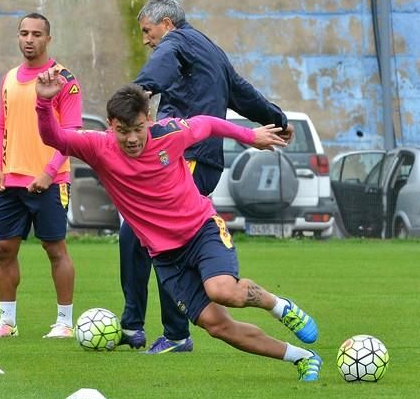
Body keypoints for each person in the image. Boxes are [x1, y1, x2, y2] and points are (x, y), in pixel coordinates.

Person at [36, 75, 322, 382]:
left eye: (138, 129)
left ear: (149, 119)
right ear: (110, 125)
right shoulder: (98, 147)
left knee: (222, 290)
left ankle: (280, 306)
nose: (132, 139)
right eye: (123, 131)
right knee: (217, 326)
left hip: (201, 231)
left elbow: (209, 124)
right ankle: (303, 358)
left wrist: (250, 136)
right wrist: (43, 102)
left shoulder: (169, 133)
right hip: (166, 258)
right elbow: (55, 138)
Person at [119, 0, 293, 353]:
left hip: (186, 157)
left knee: (155, 236)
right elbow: (243, 93)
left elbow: (159, 69)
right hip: (204, 160)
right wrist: (278, 119)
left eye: (147, 31)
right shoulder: (211, 51)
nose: (146, 40)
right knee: (137, 234)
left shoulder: (177, 42)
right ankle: (144, 326)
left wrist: (136, 96)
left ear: (166, 24)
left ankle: (168, 332)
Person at [0, 13, 82, 339]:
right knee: (3, 250)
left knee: (55, 249)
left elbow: (72, 134)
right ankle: (6, 322)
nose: (29, 39)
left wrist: (49, 172)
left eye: (36, 34)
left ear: (48, 39)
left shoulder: (64, 79)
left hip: (50, 181)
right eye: (23, 33)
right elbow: (1, 126)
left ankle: (64, 322)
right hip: (11, 180)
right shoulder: (9, 78)